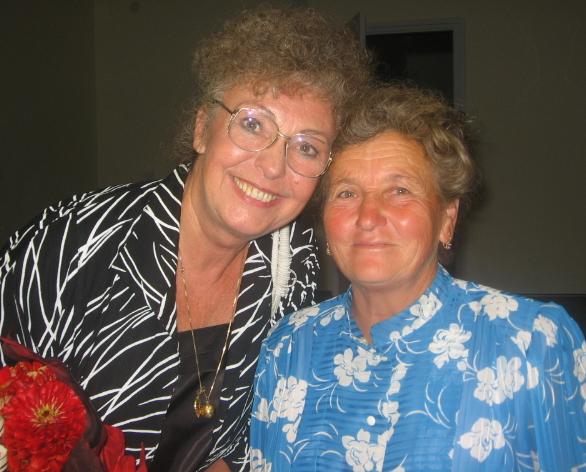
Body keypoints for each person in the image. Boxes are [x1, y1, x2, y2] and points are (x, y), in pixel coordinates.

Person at [0, 7, 369, 471]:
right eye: (252, 124)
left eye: (306, 147)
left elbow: (274, 420)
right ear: (201, 130)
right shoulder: (71, 245)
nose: (274, 166)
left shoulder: (294, 266)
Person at [250, 84, 586, 470]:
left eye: (399, 190)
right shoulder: (288, 348)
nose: (368, 217)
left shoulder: (533, 343)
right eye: (346, 193)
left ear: (447, 219)